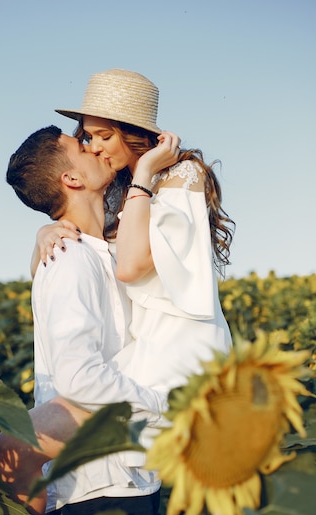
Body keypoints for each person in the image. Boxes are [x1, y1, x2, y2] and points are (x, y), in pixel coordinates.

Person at [0, 124, 171, 515]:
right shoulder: (69, 258)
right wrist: (164, 407)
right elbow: (78, 378)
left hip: (114, 470)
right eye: (82, 144)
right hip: (104, 472)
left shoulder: (103, 247)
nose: (95, 145)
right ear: (72, 178)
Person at [33, 68, 235, 399]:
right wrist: (45, 232)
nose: (95, 147)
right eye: (88, 137)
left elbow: (129, 266)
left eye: (105, 136)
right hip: (139, 347)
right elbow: (58, 264)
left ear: (132, 133)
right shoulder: (114, 188)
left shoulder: (182, 175)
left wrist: (143, 171)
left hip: (181, 345)